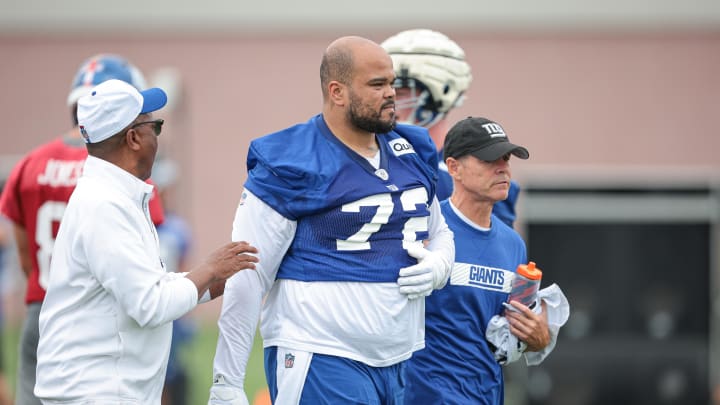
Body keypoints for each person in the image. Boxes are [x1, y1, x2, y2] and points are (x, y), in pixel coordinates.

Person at [209, 36, 455, 405]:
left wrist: (440, 263)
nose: (390, 94)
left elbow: (440, 230)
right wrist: (226, 382)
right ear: (337, 92)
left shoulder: (412, 148)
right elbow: (248, 274)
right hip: (320, 353)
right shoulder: (292, 158)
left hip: (400, 357)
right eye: (376, 84)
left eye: (392, 83)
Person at [33, 79, 260, 404]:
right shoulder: (105, 205)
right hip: (95, 393)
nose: (159, 136)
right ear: (134, 138)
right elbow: (149, 305)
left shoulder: (111, 196)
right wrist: (209, 269)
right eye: (157, 126)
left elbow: (142, 287)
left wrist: (207, 283)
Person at [0, 53, 166, 405]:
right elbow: (147, 250)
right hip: (96, 318)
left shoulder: (31, 163)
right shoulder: (115, 165)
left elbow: (25, 256)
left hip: (39, 309)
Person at [404, 116, 569, 405]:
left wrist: (538, 337)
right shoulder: (425, 228)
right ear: (453, 167)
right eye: (489, 160)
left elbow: (506, 333)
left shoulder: (513, 244)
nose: (503, 168)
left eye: (506, 159)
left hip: (487, 395)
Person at [381, 28, 522, 227]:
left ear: (441, 92)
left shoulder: (469, 173)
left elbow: (489, 250)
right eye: (382, 88)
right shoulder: (371, 158)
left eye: (401, 92)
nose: (389, 99)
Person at [153, 158, 196, 405]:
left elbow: (183, 269)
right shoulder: (143, 224)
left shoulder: (178, 228)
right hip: (150, 301)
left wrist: (186, 311)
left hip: (172, 305)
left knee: (172, 371)